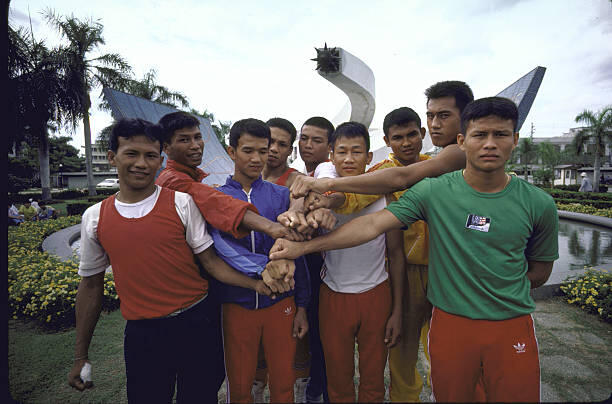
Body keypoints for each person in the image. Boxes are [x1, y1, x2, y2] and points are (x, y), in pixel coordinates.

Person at [270, 97, 559, 402]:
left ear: (514, 140)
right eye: (479, 135)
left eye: (500, 135)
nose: (489, 144)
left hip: (511, 323)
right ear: (462, 141)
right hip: (451, 321)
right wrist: (305, 243)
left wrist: (496, 289)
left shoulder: (539, 204)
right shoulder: (434, 191)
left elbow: (539, 272)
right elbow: (371, 224)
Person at [67, 118, 273, 403]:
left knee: (200, 397)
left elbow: (212, 262)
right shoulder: (95, 217)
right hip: (143, 334)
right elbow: (91, 286)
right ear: (113, 157)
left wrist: (256, 285)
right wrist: (80, 355)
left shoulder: (181, 203)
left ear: (160, 159)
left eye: (150, 156)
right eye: (131, 154)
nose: (141, 163)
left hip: (197, 324)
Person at [209, 118, 310, 403]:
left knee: (283, 384)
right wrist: (261, 270)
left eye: (263, 151)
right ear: (231, 152)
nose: (256, 158)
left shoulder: (282, 195)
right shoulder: (217, 198)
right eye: (248, 151)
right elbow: (220, 249)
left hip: (282, 304)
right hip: (237, 304)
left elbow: (296, 254)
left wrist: (302, 305)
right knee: (240, 385)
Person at [314, 121, 404, 402]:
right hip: (333, 295)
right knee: (338, 378)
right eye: (342, 152)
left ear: (369, 157)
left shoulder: (384, 195)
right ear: (331, 156)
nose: (349, 159)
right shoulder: (321, 195)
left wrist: (397, 310)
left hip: (376, 295)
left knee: (374, 378)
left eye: (357, 152)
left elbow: (397, 254)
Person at [289, 80, 474, 199]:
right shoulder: (385, 169)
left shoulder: (459, 151)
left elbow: (401, 178)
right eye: (430, 115)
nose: (435, 124)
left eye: (443, 116)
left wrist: (328, 184)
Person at [262, 117, 303, 188]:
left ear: (290, 151)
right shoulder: (247, 175)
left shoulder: (298, 181)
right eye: (270, 141)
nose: (274, 149)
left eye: (282, 145)